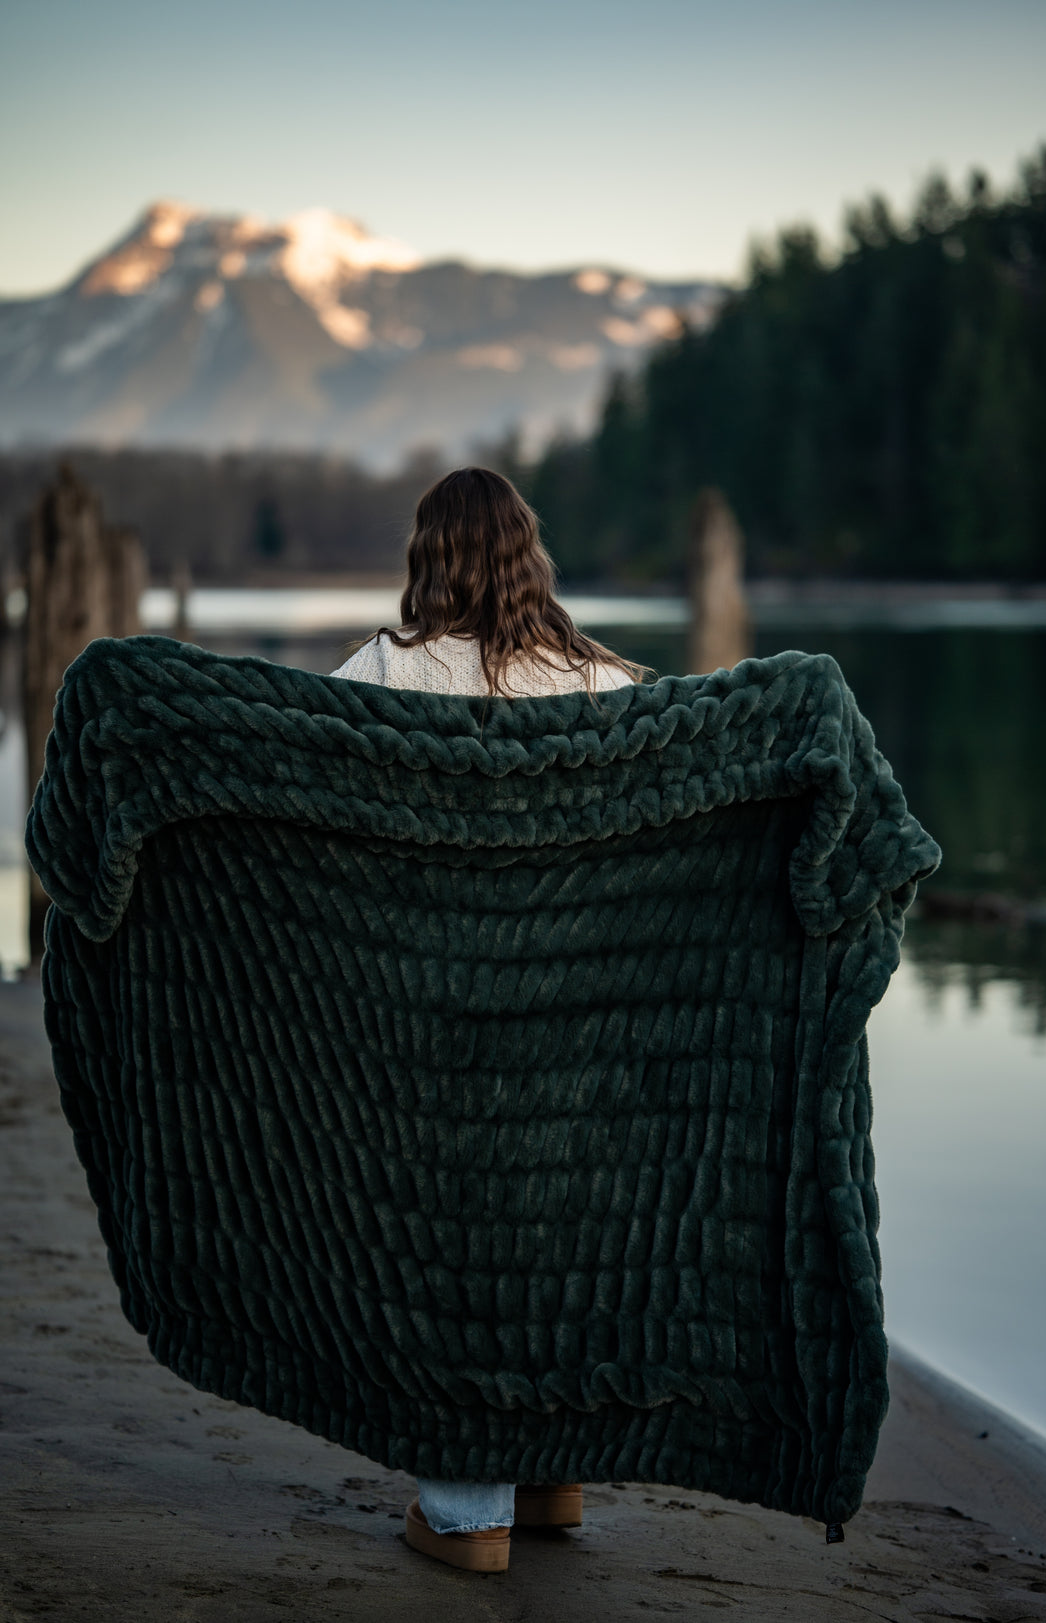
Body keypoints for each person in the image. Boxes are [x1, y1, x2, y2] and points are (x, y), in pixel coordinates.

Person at [329, 465, 651, 1572]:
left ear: (430, 558)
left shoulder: (382, 669)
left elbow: (288, 792)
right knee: (561, 1236)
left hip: (435, 1019)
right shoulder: (600, 681)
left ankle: (470, 1515)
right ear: (528, 556)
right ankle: (553, 1479)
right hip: (575, 1020)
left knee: (453, 1249)